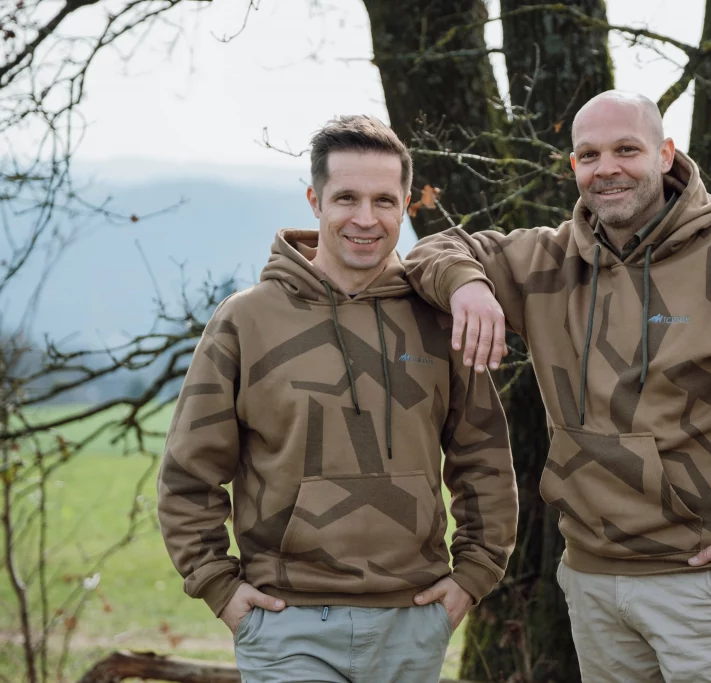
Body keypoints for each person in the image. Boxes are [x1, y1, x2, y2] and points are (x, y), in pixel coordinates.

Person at [403, 91, 711, 682]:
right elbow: (434, 250)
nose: (606, 168)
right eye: (589, 154)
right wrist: (468, 287)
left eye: (626, 150)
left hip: (704, 582)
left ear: (665, 155)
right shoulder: (546, 262)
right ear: (574, 168)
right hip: (593, 579)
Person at [158, 115, 518, 683]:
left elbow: (485, 460)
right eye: (346, 197)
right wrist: (220, 587)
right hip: (286, 624)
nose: (366, 219)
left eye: (384, 200)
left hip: (413, 621)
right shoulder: (247, 319)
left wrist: (474, 574)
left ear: (405, 205)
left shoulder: (438, 319)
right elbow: (188, 473)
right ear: (314, 200)